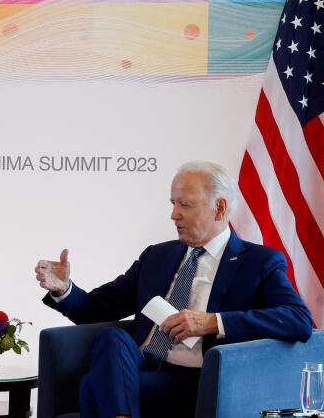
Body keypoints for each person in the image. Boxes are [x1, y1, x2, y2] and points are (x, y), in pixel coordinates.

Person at [35, 160, 313, 418]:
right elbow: (96, 309)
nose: (174, 214)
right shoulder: (157, 256)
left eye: (186, 205)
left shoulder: (259, 262)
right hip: (142, 365)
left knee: (91, 386)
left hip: (199, 379)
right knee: (111, 337)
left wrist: (212, 322)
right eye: (173, 203)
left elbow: (299, 320)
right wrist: (64, 289)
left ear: (220, 208)